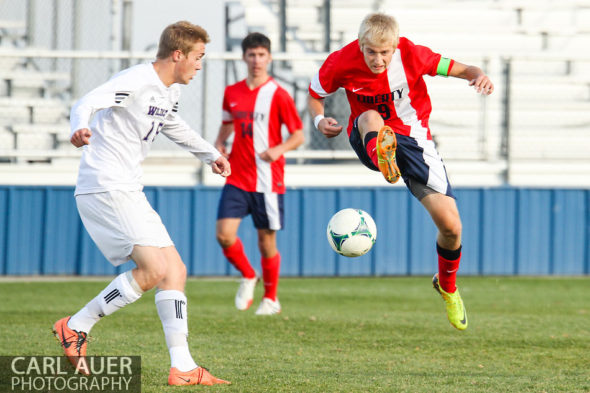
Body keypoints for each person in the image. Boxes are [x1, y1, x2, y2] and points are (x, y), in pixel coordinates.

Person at [53, 21, 231, 385]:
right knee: (151, 270)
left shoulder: (168, 93)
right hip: (105, 185)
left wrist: (210, 154)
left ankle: (183, 367)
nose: (200, 65)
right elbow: (85, 101)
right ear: (178, 54)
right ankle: (75, 326)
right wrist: (79, 127)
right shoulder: (136, 80)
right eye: (197, 57)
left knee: (174, 270)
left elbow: (172, 125)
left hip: (128, 189)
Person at [308, 13, 494, 331]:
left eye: (385, 52)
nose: (378, 59)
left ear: (395, 46)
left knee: (451, 228)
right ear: (360, 45)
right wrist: (319, 120)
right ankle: (382, 157)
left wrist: (479, 76)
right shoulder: (341, 61)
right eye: (371, 52)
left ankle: (447, 286)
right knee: (369, 117)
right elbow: (315, 95)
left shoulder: (413, 55)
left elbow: (465, 69)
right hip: (368, 134)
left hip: (415, 142)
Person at [214, 32, 304, 315]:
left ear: (269, 58)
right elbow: (228, 123)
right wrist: (219, 144)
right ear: (244, 57)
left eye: (261, 55)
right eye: (251, 55)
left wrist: (278, 149)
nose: (256, 60)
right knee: (224, 235)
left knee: (266, 241)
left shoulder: (278, 94)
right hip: (237, 175)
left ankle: (271, 299)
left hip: (267, 178)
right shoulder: (232, 92)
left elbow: (298, 134)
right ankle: (247, 274)